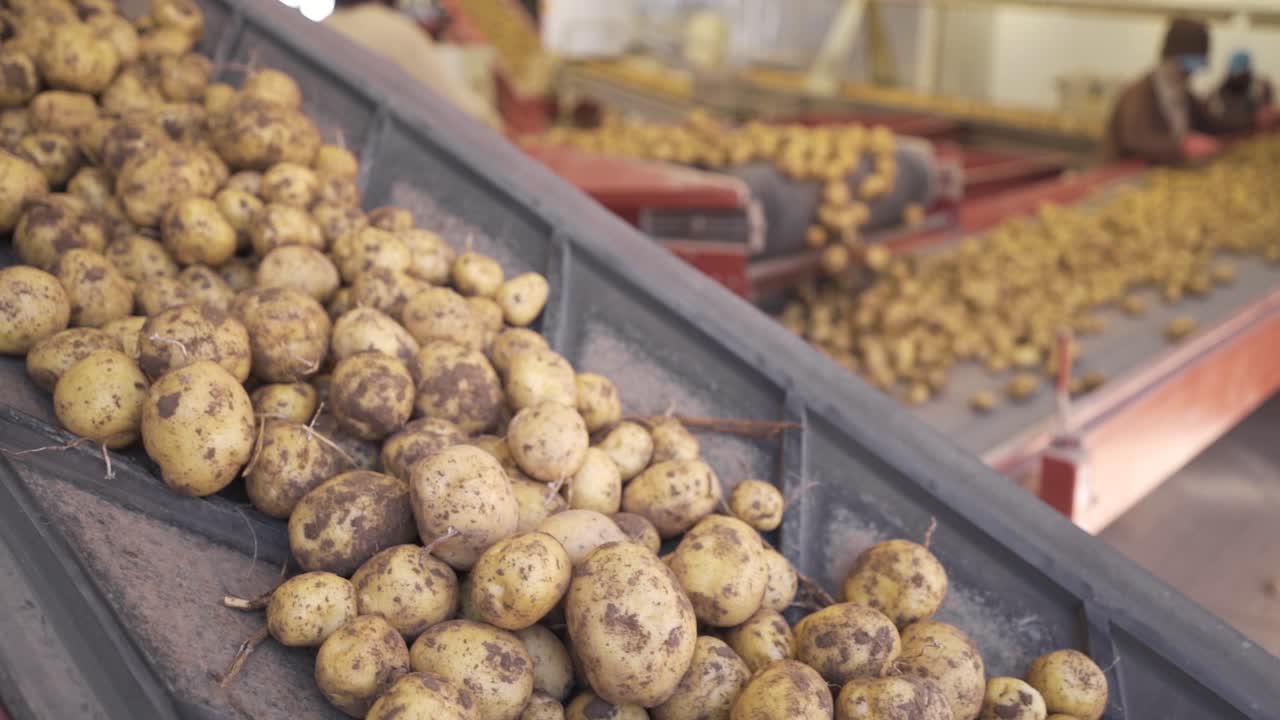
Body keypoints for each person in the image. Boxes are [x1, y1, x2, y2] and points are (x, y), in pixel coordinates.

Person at [1104, 18, 1229, 164]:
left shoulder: (1184, 94)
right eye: (1185, 67)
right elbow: (1136, 140)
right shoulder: (1140, 93)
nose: (1189, 74)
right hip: (1120, 176)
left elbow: (1212, 124)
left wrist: (1248, 120)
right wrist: (1182, 146)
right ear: (1170, 59)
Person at [1210, 50, 1275, 132]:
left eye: (1241, 74)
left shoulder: (1260, 87)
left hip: (1255, 132)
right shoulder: (1219, 90)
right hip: (1230, 131)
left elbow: (1266, 113)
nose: (1238, 77)